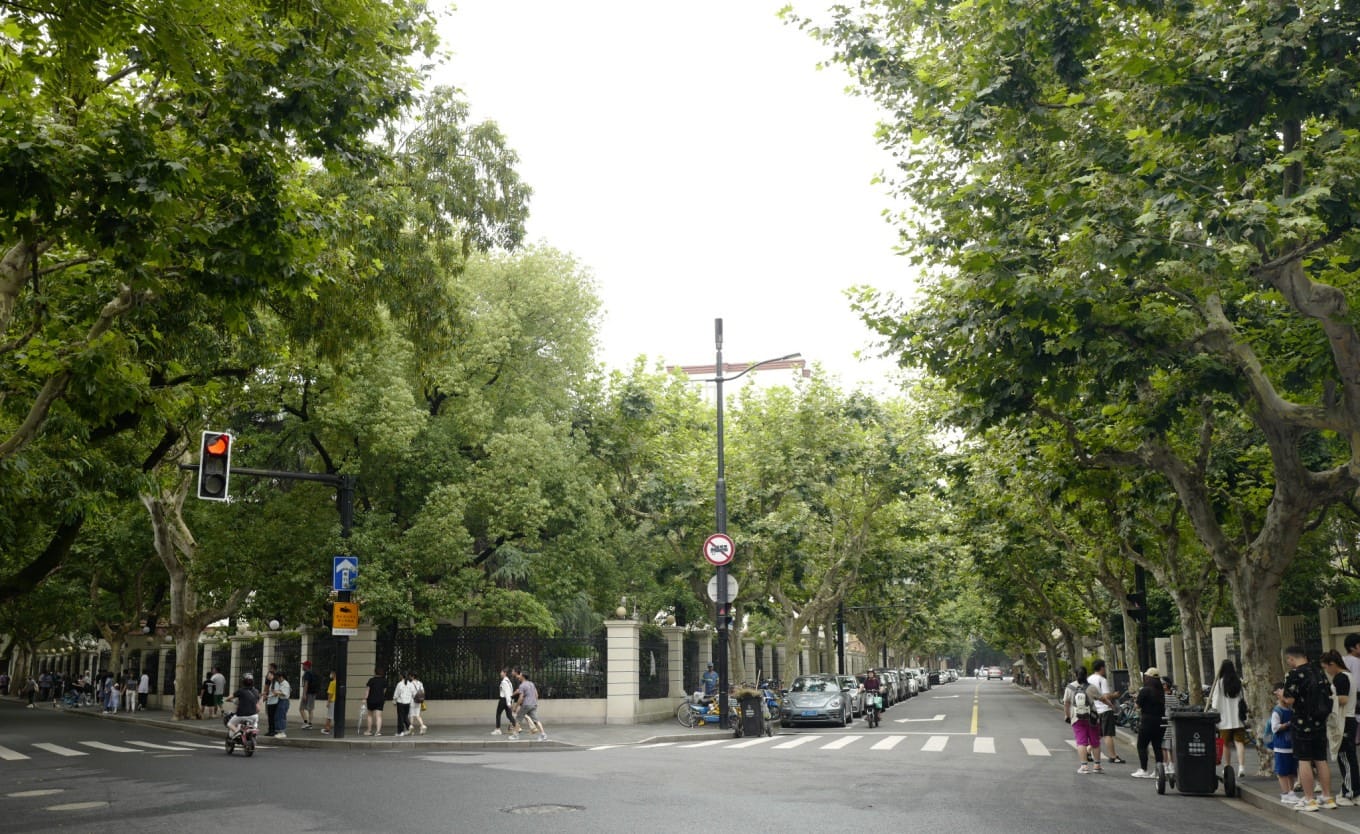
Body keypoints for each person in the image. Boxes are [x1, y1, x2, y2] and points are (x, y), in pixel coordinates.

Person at [1284, 644, 1336, 812]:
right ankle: (1327, 797)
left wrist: (1281, 696)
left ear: (1291, 658)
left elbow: (1289, 700)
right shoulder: (1318, 670)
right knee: (1321, 759)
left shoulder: (1294, 674)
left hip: (1302, 722)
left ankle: (1309, 799)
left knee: (1304, 760)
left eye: (1288, 660)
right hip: (1320, 722)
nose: (1289, 663)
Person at [1322, 650, 1356, 805]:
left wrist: (1327, 698)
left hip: (1344, 721)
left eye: (1326, 667)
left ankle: (1350, 792)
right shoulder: (1348, 676)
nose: (1326, 671)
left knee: (1346, 758)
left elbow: (1342, 699)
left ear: (1332, 664)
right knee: (1348, 757)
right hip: (1348, 720)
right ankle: (1350, 789)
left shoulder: (1341, 678)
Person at [1208, 658, 1247, 777]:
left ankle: (1227, 767)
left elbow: (1215, 701)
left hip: (1224, 720)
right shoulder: (1238, 682)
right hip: (1238, 719)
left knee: (1225, 744)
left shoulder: (1219, 683)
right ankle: (1241, 767)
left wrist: (1214, 712)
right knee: (1239, 742)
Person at [1063, 666, 1103, 774]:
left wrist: (1067, 716)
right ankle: (1097, 765)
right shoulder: (1091, 687)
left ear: (1075, 675)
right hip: (1092, 718)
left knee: (1081, 742)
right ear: (1086, 675)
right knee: (1095, 742)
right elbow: (1102, 698)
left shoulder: (1069, 687)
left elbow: (1066, 703)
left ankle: (1084, 766)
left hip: (1077, 718)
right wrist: (1111, 705)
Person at [1131, 667, 1166, 778]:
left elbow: (1137, 705)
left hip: (1147, 720)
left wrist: (1136, 700)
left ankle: (1144, 769)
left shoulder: (1145, 690)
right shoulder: (1161, 691)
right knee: (1157, 746)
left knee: (1142, 745)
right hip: (1160, 721)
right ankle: (1158, 771)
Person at [1088, 659, 1125, 764]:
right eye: (1104, 667)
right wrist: (1114, 695)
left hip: (1094, 710)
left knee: (1099, 733)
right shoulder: (1102, 680)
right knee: (1108, 734)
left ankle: (1088, 750)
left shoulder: (1089, 679)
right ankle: (1113, 756)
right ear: (1101, 668)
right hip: (1104, 709)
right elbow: (1105, 696)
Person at [1271, 681, 1300, 806]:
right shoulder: (1277, 711)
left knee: (1291, 771)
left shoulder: (1290, 709)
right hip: (1281, 747)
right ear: (1277, 694)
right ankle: (1285, 793)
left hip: (1291, 746)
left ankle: (1291, 792)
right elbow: (1275, 728)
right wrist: (1288, 724)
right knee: (1282, 772)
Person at [510, 667, 545, 742]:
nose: (519, 676)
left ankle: (515, 735)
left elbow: (521, 698)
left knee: (518, 719)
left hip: (526, 705)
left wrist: (516, 707)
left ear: (523, 677)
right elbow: (536, 694)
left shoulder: (522, 685)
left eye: (520, 675)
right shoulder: (531, 684)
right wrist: (534, 702)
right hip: (533, 704)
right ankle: (543, 734)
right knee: (536, 720)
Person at [224, 674, 261, 740]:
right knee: (255, 720)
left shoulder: (240, 691)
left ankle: (237, 731)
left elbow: (229, 698)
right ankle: (254, 731)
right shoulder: (256, 691)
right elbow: (258, 708)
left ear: (243, 682)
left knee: (229, 723)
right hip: (253, 715)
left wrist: (228, 700)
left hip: (241, 715)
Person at [363, 669, 387, 736]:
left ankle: (369, 731)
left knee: (370, 715)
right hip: (380, 700)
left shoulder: (371, 680)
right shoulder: (384, 681)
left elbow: (367, 690)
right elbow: (384, 691)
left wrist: (365, 698)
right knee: (379, 716)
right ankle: (378, 732)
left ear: (375, 672)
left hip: (371, 700)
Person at [492, 667, 515, 735]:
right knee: (509, 715)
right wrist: (510, 701)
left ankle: (498, 729)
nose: (500, 673)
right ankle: (517, 727)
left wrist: (508, 703)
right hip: (508, 700)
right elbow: (511, 691)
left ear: (505, 673)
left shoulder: (504, 682)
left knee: (498, 714)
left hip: (503, 700)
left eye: (501, 672)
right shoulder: (509, 681)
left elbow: (507, 692)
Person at [393, 670, 414, 737]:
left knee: (400, 717)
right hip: (408, 703)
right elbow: (413, 693)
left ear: (402, 676)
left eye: (400, 675)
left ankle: (400, 732)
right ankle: (409, 726)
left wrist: (394, 700)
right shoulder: (410, 684)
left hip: (400, 702)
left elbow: (396, 694)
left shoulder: (399, 684)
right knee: (405, 716)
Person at [298, 660, 318, 730]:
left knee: (301, 708)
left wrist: (304, 694)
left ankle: (307, 723)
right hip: (313, 693)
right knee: (310, 709)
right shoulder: (312, 673)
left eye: (303, 665)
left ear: (306, 666)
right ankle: (309, 724)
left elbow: (306, 684)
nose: (302, 666)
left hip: (308, 693)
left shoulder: (307, 674)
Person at [271, 670, 291, 738]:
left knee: (281, 717)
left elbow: (284, 693)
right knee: (278, 716)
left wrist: (276, 692)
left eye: (278, 678)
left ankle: (282, 732)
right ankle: (279, 731)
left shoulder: (285, 683)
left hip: (284, 701)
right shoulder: (282, 683)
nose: (277, 680)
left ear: (281, 677)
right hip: (281, 701)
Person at [407, 671, 427, 736]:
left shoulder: (410, 684)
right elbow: (423, 692)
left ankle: (411, 728)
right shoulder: (420, 683)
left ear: (412, 676)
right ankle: (422, 725)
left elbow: (409, 693)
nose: (409, 677)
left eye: (410, 676)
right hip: (419, 701)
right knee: (417, 714)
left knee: (411, 715)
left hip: (412, 701)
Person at [263, 663, 279, 736]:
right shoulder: (276, 679)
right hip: (272, 700)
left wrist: (265, 696)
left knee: (271, 716)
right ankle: (272, 730)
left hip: (272, 701)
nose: (268, 671)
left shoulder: (274, 681)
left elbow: (268, 688)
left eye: (269, 668)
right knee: (271, 716)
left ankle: (272, 730)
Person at [322, 670, 336, 735]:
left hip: (332, 701)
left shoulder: (332, 683)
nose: (330, 675)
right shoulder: (338, 683)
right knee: (335, 716)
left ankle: (327, 729)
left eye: (331, 673)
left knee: (329, 716)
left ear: (334, 674)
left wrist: (328, 702)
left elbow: (330, 693)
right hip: (337, 701)